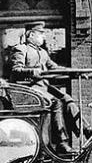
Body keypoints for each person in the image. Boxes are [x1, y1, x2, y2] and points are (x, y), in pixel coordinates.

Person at [8, 21, 81, 154]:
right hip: (28, 91)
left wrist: (74, 72)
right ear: (31, 35)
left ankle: (84, 130)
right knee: (56, 102)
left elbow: (55, 68)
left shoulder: (43, 52)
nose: (43, 37)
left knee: (67, 98)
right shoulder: (21, 49)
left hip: (43, 89)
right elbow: (16, 69)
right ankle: (62, 143)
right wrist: (32, 71)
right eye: (40, 34)